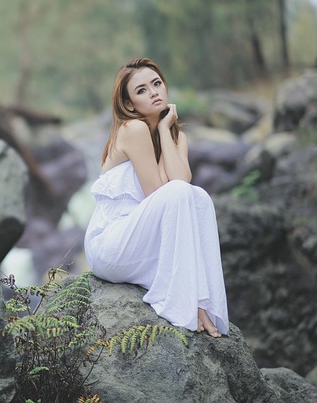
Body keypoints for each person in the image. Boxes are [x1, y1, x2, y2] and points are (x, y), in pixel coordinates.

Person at [84, 58, 229, 337]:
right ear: (129, 105)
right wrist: (162, 131)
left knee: (199, 198)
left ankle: (201, 302)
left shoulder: (177, 137)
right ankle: (189, 303)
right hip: (111, 244)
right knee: (180, 193)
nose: (153, 92)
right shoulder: (133, 129)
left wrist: (165, 132)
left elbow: (181, 182)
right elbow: (160, 193)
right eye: (141, 90)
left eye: (157, 83)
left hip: (143, 242)